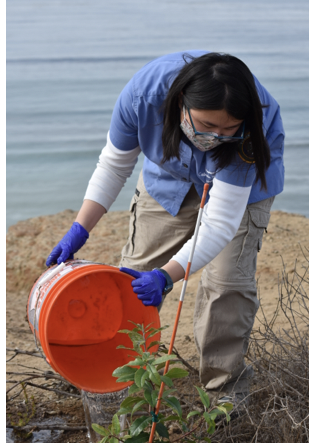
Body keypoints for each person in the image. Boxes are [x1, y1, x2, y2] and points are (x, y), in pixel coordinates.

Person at [44, 51, 283, 407]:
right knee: (133, 278)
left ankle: (223, 398)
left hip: (240, 197)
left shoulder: (251, 127)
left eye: (227, 129)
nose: (215, 137)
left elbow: (218, 223)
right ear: (181, 104)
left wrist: (169, 276)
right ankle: (122, 380)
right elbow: (113, 166)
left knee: (226, 287)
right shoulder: (143, 97)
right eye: (206, 125)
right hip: (167, 178)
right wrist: (80, 228)